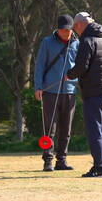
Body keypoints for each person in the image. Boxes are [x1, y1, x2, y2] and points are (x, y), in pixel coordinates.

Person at [65, 12, 102, 178]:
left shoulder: (87, 41)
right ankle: (101, 164)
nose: (75, 31)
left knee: (94, 130)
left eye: (75, 28)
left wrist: (69, 75)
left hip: (94, 92)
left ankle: (100, 167)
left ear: (80, 25)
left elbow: (81, 66)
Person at [34, 15, 79, 172]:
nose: (66, 33)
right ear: (57, 29)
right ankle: (48, 161)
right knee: (50, 128)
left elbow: (79, 66)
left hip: (70, 91)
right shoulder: (47, 42)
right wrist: (38, 86)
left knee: (66, 129)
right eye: (62, 30)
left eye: (68, 30)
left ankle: (62, 160)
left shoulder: (77, 43)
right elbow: (40, 65)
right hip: (50, 91)